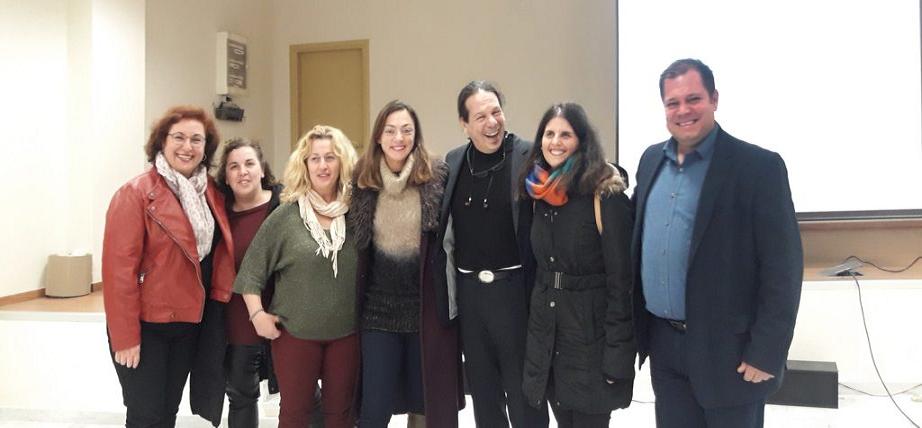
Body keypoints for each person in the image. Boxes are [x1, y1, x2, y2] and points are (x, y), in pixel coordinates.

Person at [631, 58, 803, 428]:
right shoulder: (650, 161)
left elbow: (783, 268)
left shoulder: (758, 167)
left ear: (714, 99)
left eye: (693, 99)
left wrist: (767, 352)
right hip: (664, 345)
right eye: (673, 103)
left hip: (731, 352)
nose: (683, 110)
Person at [103, 105, 235, 427]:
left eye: (196, 139)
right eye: (179, 137)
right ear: (162, 141)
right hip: (147, 327)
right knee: (144, 414)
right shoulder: (134, 194)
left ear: (206, 148)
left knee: (168, 412)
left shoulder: (211, 193)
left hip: (189, 324)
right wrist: (125, 337)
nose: (187, 147)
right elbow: (119, 273)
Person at [432, 81, 549, 428]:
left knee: (524, 396)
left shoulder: (528, 156)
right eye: (480, 117)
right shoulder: (453, 162)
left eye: (496, 112)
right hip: (470, 296)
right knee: (483, 394)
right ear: (464, 124)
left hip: (515, 292)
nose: (492, 122)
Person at [233, 125, 359, 428]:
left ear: (342, 162)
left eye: (330, 157)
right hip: (295, 336)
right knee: (295, 416)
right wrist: (257, 316)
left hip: (347, 334)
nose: (322, 165)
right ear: (305, 165)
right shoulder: (286, 215)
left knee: (341, 417)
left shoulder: (357, 214)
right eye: (315, 158)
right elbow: (251, 272)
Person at [520, 103, 636, 428]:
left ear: (582, 141)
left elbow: (621, 283)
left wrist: (618, 355)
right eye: (549, 134)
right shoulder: (537, 193)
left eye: (565, 135)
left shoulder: (604, 193)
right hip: (549, 340)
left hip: (591, 343)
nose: (555, 142)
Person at [349, 100, 464, 428]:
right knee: (374, 410)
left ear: (416, 135)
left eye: (406, 130)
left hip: (426, 312)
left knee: (427, 407)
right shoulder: (362, 179)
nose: (398, 138)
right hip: (377, 312)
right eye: (390, 131)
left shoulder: (436, 176)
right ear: (378, 136)